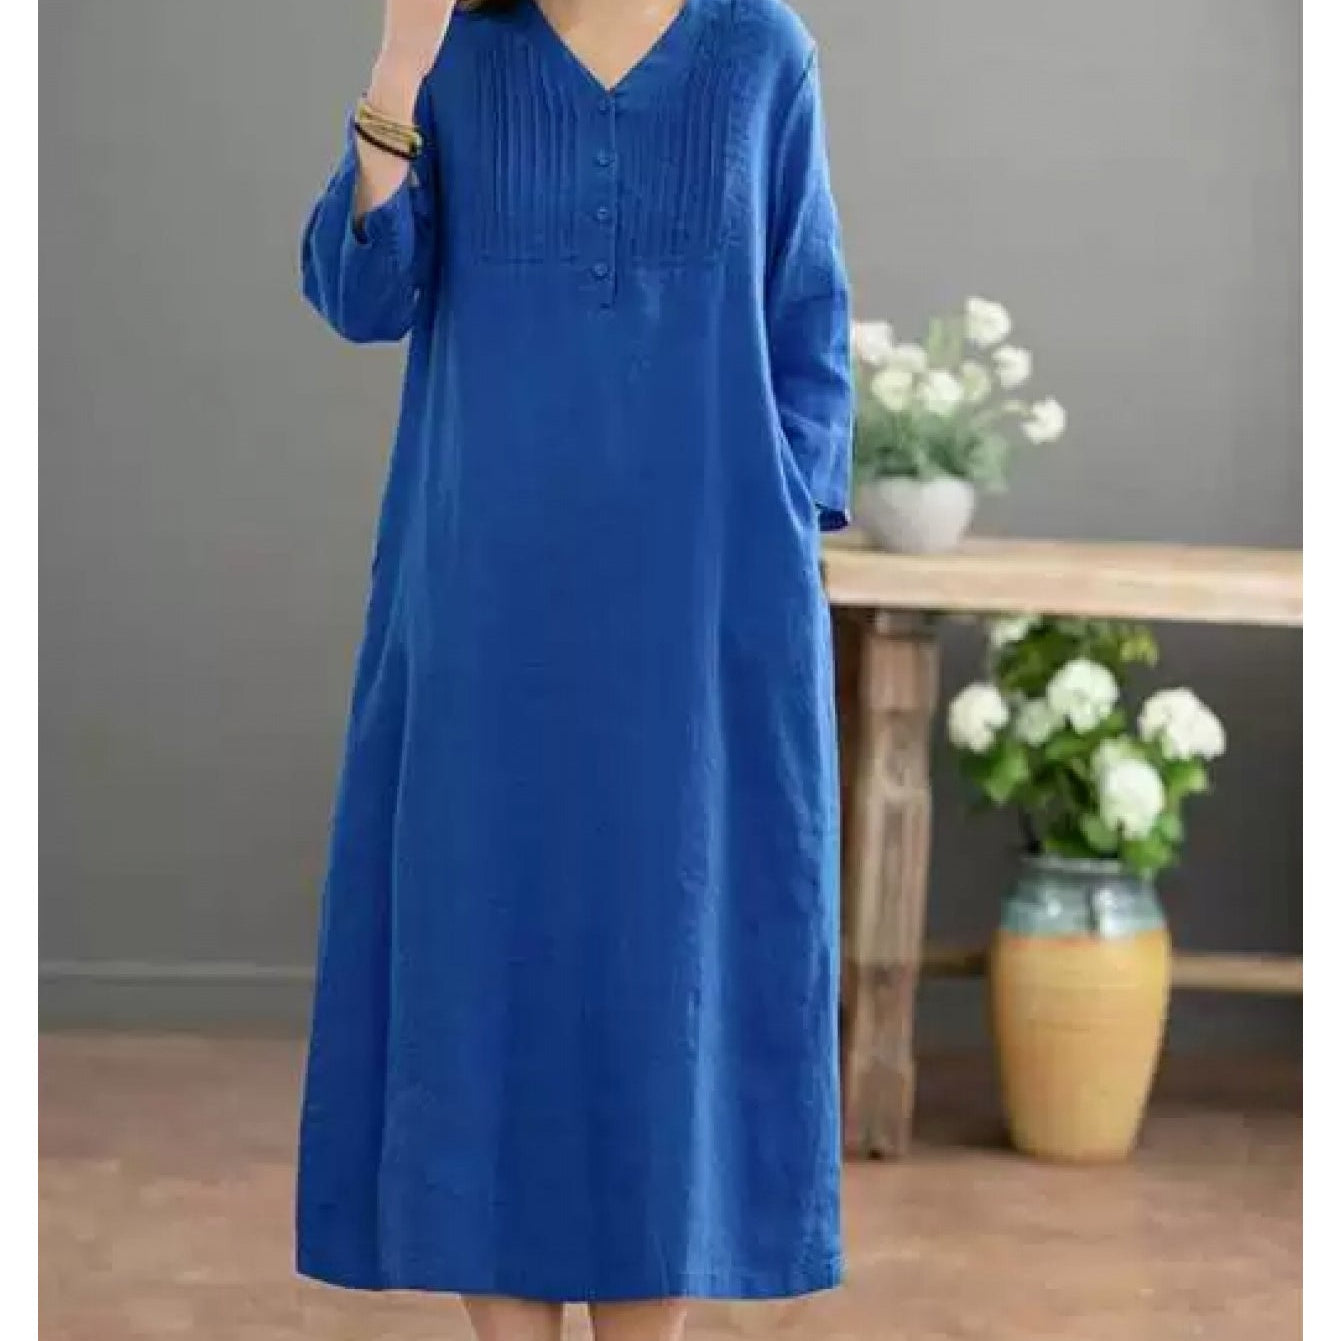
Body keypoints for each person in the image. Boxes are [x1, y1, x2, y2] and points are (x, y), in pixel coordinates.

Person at [293, 1, 853, 1337]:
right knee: (485, 947)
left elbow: (808, 321)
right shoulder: (460, 52)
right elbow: (363, 296)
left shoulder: (759, 49)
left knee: (673, 955)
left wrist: (777, 515)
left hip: (701, 597)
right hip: (487, 594)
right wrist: (398, 63)